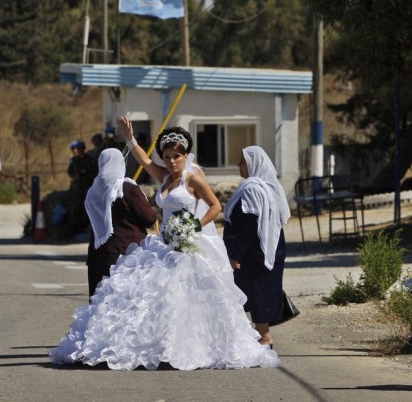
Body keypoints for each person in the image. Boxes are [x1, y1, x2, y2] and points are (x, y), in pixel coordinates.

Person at [49, 117, 279, 371]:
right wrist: (130, 138)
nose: (171, 161)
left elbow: (216, 206)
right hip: (166, 243)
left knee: (189, 297)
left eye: (176, 157)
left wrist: (195, 226)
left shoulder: (192, 178)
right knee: (154, 295)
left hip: (191, 246)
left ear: (185, 155)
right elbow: (145, 161)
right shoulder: (165, 176)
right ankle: (160, 346)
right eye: (167, 157)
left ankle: (194, 347)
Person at [223, 146, 291, 348]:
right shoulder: (265, 187)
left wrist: (236, 254)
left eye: (242, 162)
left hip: (254, 252)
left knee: (254, 291)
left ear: (254, 165)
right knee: (257, 291)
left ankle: (265, 337)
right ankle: (258, 334)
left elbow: (249, 224)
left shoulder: (253, 189)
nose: (239, 166)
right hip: (267, 248)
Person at [84, 148, 158, 298]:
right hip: (127, 253)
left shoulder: (93, 190)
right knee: (123, 305)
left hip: (98, 255)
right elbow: (149, 218)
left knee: (99, 304)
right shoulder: (127, 188)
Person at [67, 141, 96, 237]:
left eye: (79, 149)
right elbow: (70, 171)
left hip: (87, 187)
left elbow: (94, 172)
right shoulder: (74, 160)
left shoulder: (90, 160)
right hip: (77, 188)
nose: (77, 151)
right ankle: (77, 230)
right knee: (76, 208)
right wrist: (74, 176)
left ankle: (87, 229)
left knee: (87, 208)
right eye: (76, 149)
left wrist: (85, 176)